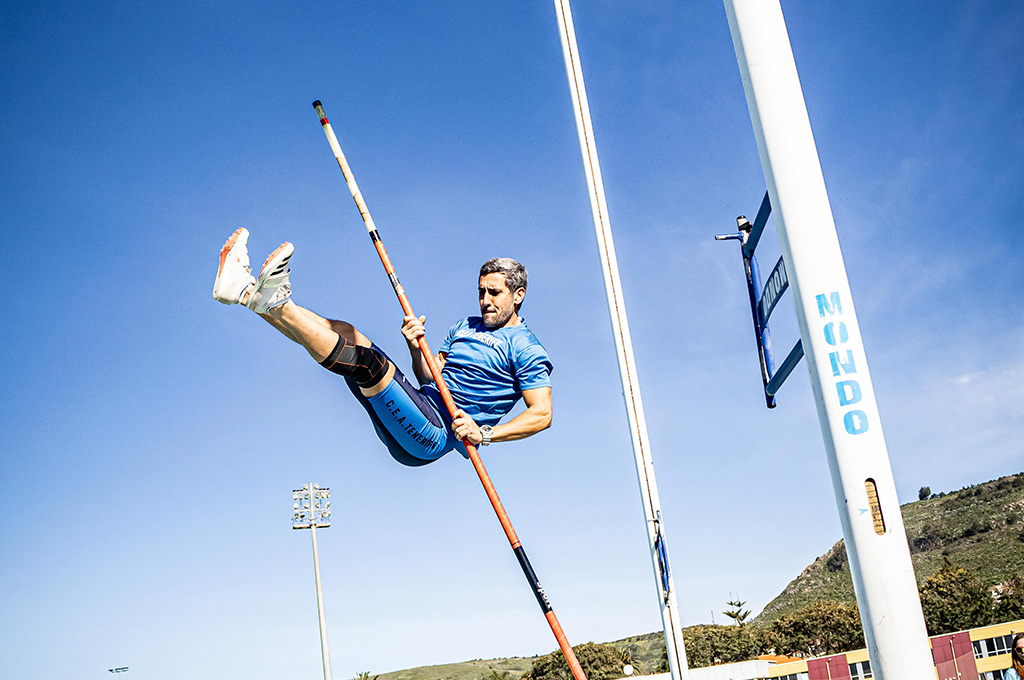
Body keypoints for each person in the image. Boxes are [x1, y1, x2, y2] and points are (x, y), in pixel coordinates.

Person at [212, 228, 553, 466]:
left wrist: (485, 434)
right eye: (481, 292)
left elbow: (542, 414)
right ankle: (243, 292)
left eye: (494, 293)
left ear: (518, 295)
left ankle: (277, 303)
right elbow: (429, 376)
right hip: (420, 403)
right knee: (347, 333)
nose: (485, 300)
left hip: (433, 433)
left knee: (368, 364)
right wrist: (415, 348)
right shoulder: (465, 326)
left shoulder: (526, 348)